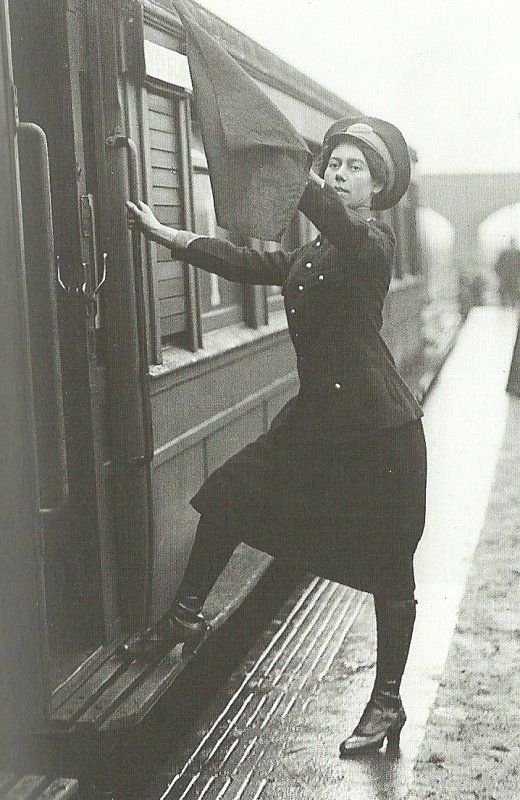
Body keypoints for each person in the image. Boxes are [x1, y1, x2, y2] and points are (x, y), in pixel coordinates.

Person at [122, 117, 427, 757]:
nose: (340, 177)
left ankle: (387, 703)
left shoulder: (370, 243)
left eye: (353, 170)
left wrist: (297, 173)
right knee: (225, 495)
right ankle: (184, 617)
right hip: (317, 424)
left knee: (390, 570)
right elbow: (249, 261)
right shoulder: (313, 252)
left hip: (378, 432)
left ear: (376, 189)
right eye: (334, 164)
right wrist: (170, 235)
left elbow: (331, 218)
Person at [495, 237, 520, 307]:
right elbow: (498, 265)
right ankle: (509, 304)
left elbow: (497, 265)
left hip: (510, 276)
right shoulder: (506, 253)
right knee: (510, 291)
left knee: (509, 291)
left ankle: (509, 304)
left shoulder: (507, 253)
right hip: (510, 276)